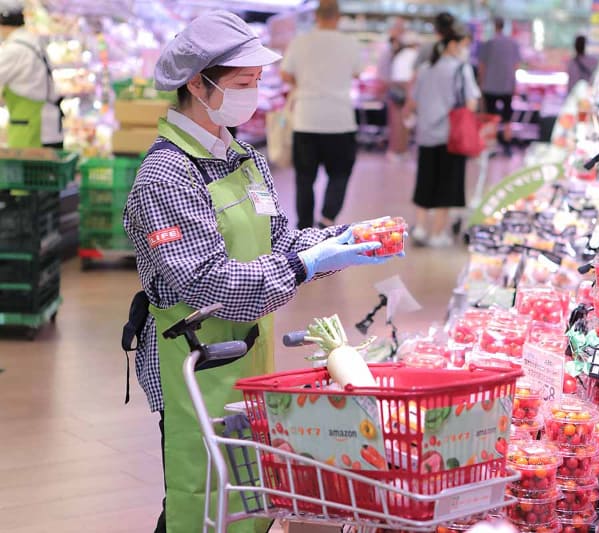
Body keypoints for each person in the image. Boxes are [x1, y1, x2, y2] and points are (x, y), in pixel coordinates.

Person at [122, 11, 395, 533]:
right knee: (200, 494)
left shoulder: (243, 157)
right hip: (194, 361)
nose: (253, 93)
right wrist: (301, 265)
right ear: (197, 84)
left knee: (245, 490)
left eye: (258, 81)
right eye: (243, 83)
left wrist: (339, 243)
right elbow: (208, 283)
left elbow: (280, 241)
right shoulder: (166, 176)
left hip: (248, 352)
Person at [280, 0, 361, 230]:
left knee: (305, 178)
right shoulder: (350, 43)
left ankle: (305, 227)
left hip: (306, 119)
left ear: (316, 16)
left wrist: (303, 83)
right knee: (340, 174)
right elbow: (357, 73)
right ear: (338, 17)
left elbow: (285, 74)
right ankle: (327, 219)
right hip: (340, 120)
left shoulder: (300, 42)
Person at [407, 23, 480, 248]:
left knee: (425, 181)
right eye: (463, 45)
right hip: (451, 136)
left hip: (426, 133)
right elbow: (471, 102)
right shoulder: (461, 69)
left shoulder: (425, 69)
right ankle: (438, 233)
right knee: (447, 185)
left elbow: (414, 101)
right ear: (452, 44)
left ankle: (421, 228)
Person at [0, 0, 62, 148]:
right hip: (47, 127)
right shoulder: (32, 41)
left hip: (32, 131)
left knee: (30, 164)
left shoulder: (14, 50)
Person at [478, 18, 520, 156]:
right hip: (507, 85)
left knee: (491, 119)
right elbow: (516, 66)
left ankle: (492, 147)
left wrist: (481, 84)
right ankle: (507, 146)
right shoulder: (512, 43)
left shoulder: (488, 44)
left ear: (494, 26)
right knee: (507, 118)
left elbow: (482, 66)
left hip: (490, 86)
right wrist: (514, 84)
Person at [385, 32, 419, 160]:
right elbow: (410, 79)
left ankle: (397, 151)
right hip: (405, 91)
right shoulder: (413, 56)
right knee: (403, 124)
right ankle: (399, 151)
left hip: (396, 91)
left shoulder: (400, 55)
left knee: (396, 123)